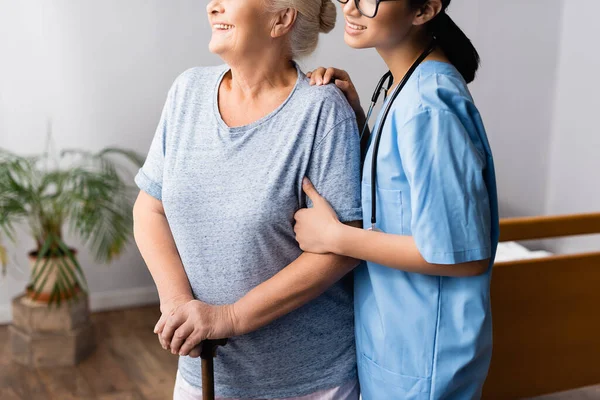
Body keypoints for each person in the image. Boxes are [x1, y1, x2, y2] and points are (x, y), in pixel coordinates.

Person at [132, 0, 363, 398]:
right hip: (200, 372)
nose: (212, 6)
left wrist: (230, 318)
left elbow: (342, 249)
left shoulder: (322, 111)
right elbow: (150, 207)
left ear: (281, 18)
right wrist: (177, 305)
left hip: (307, 383)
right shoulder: (188, 91)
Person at [293, 0, 500, 398]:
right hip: (394, 344)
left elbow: (462, 256)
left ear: (423, 11)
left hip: (423, 358)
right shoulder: (400, 85)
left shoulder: (429, 103)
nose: (351, 7)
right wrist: (356, 115)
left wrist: (336, 238)